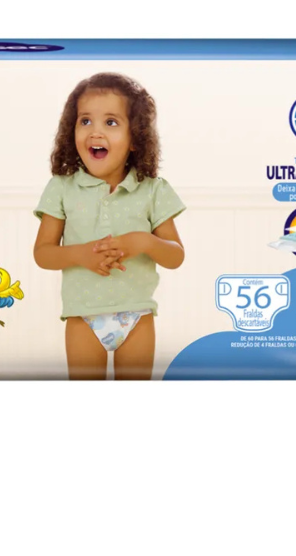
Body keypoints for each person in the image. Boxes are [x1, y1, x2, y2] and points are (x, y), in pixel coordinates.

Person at [33, 72, 185, 379]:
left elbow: (175, 256)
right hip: (82, 317)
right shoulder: (61, 188)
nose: (95, 132)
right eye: (85, 121)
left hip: (137, 315)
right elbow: (43, 253)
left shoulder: (153, 190)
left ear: (135, 139)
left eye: (111, 122)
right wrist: (80, 255)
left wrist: (144, 241)